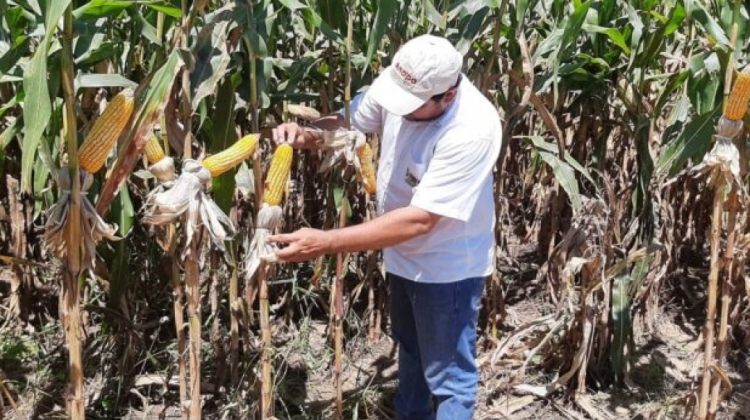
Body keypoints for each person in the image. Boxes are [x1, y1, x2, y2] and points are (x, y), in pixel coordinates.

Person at [269, 34, 502, 420]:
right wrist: (306, 135)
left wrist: (325, 242)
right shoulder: (405, 83)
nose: (400, 112)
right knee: (410, 353)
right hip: (401, 254)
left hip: (447, 268)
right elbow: (347, 123)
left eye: (411, 108)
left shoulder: (473, 129)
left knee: (449, 378)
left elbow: (420, 219)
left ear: (446, 96)